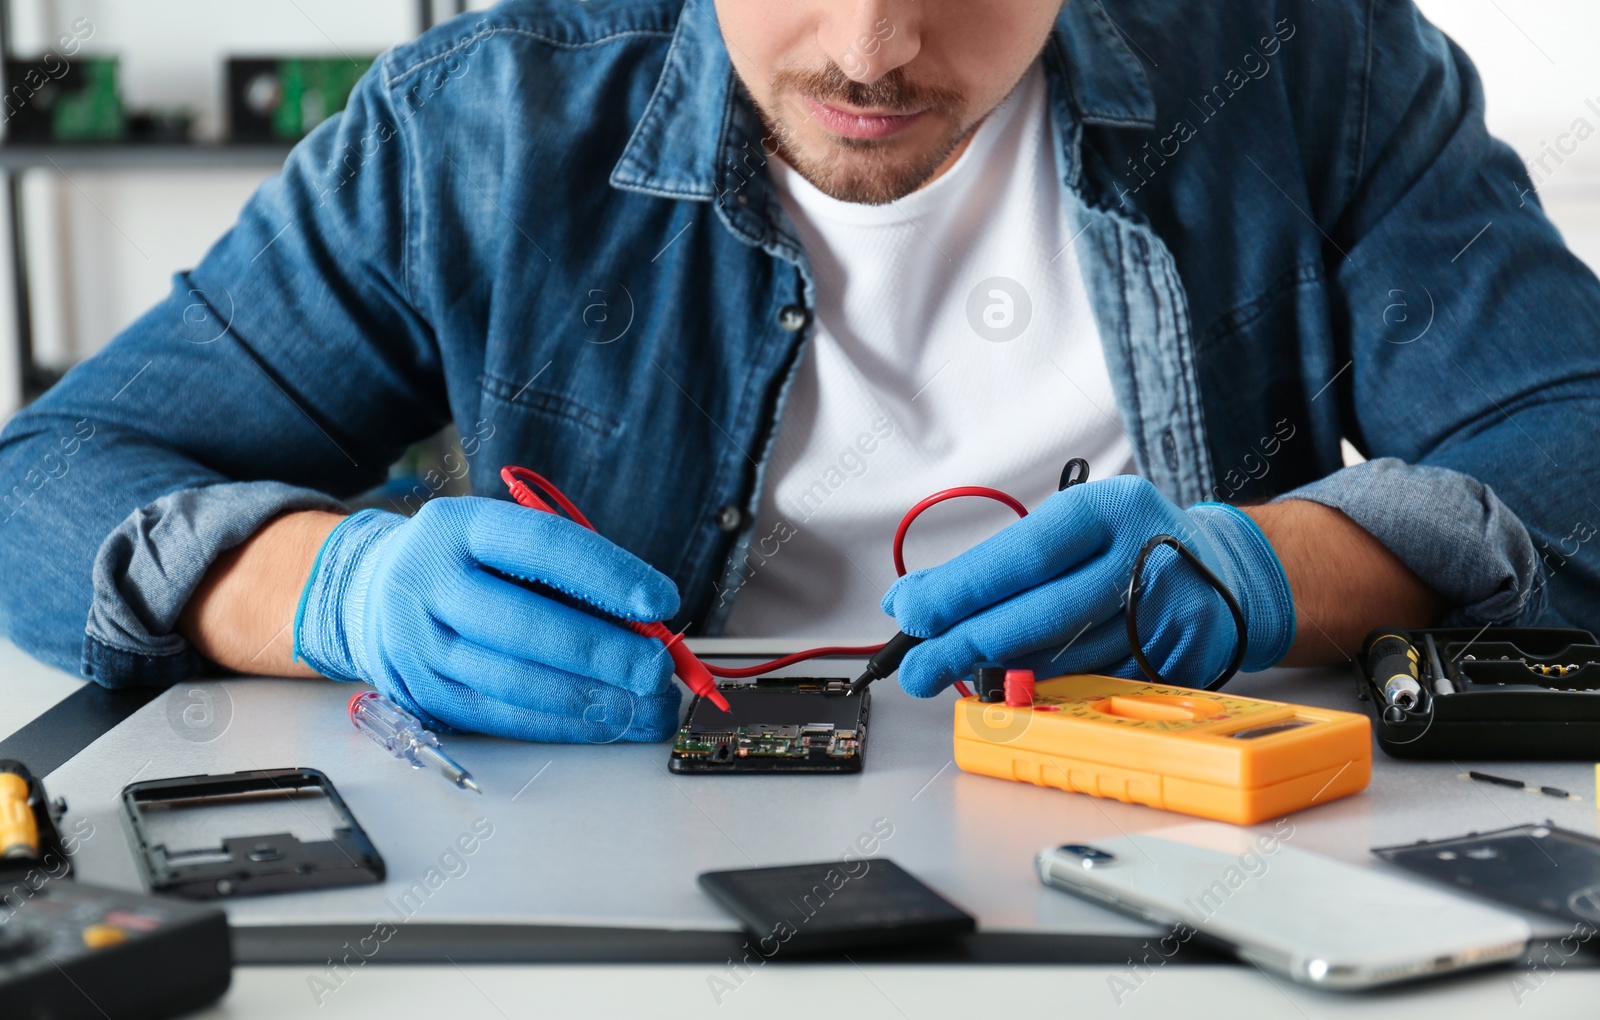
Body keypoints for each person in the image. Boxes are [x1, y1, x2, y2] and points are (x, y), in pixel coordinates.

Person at [1, 0, 1593, 743]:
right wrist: (333, 590)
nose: (873, 48)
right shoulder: (474, 123)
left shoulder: (1316, 66)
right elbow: (45, 486)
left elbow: (1573, 444)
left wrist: (1272, 569)